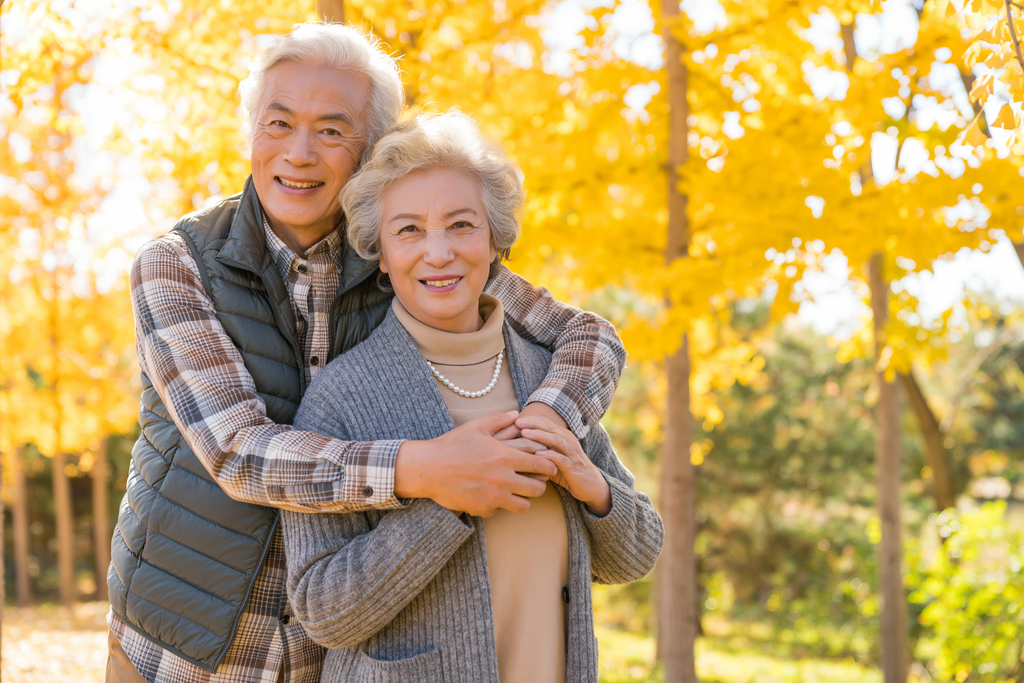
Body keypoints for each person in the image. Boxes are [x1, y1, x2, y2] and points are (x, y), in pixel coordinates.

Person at [106, 23, 627, 683]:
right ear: (250, 133)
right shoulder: (175, 264)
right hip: (186, 648)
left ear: (370, 147)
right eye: (279, 122)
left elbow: (590, 337)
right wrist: (425, 468)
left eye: (331, 130)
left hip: (334, 655)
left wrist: (551, 415)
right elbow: (237, 451)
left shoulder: (407, 248)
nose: (299, 153)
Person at [282, 110, 663, 683]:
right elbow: (323, 611)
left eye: (461, 225)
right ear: (381, 255)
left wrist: (593, 487)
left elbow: (636, 554)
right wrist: (448, 499)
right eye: (408, 230)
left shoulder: (548, 378)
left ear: (493, 242)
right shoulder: (341, 396)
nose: (438, 253)